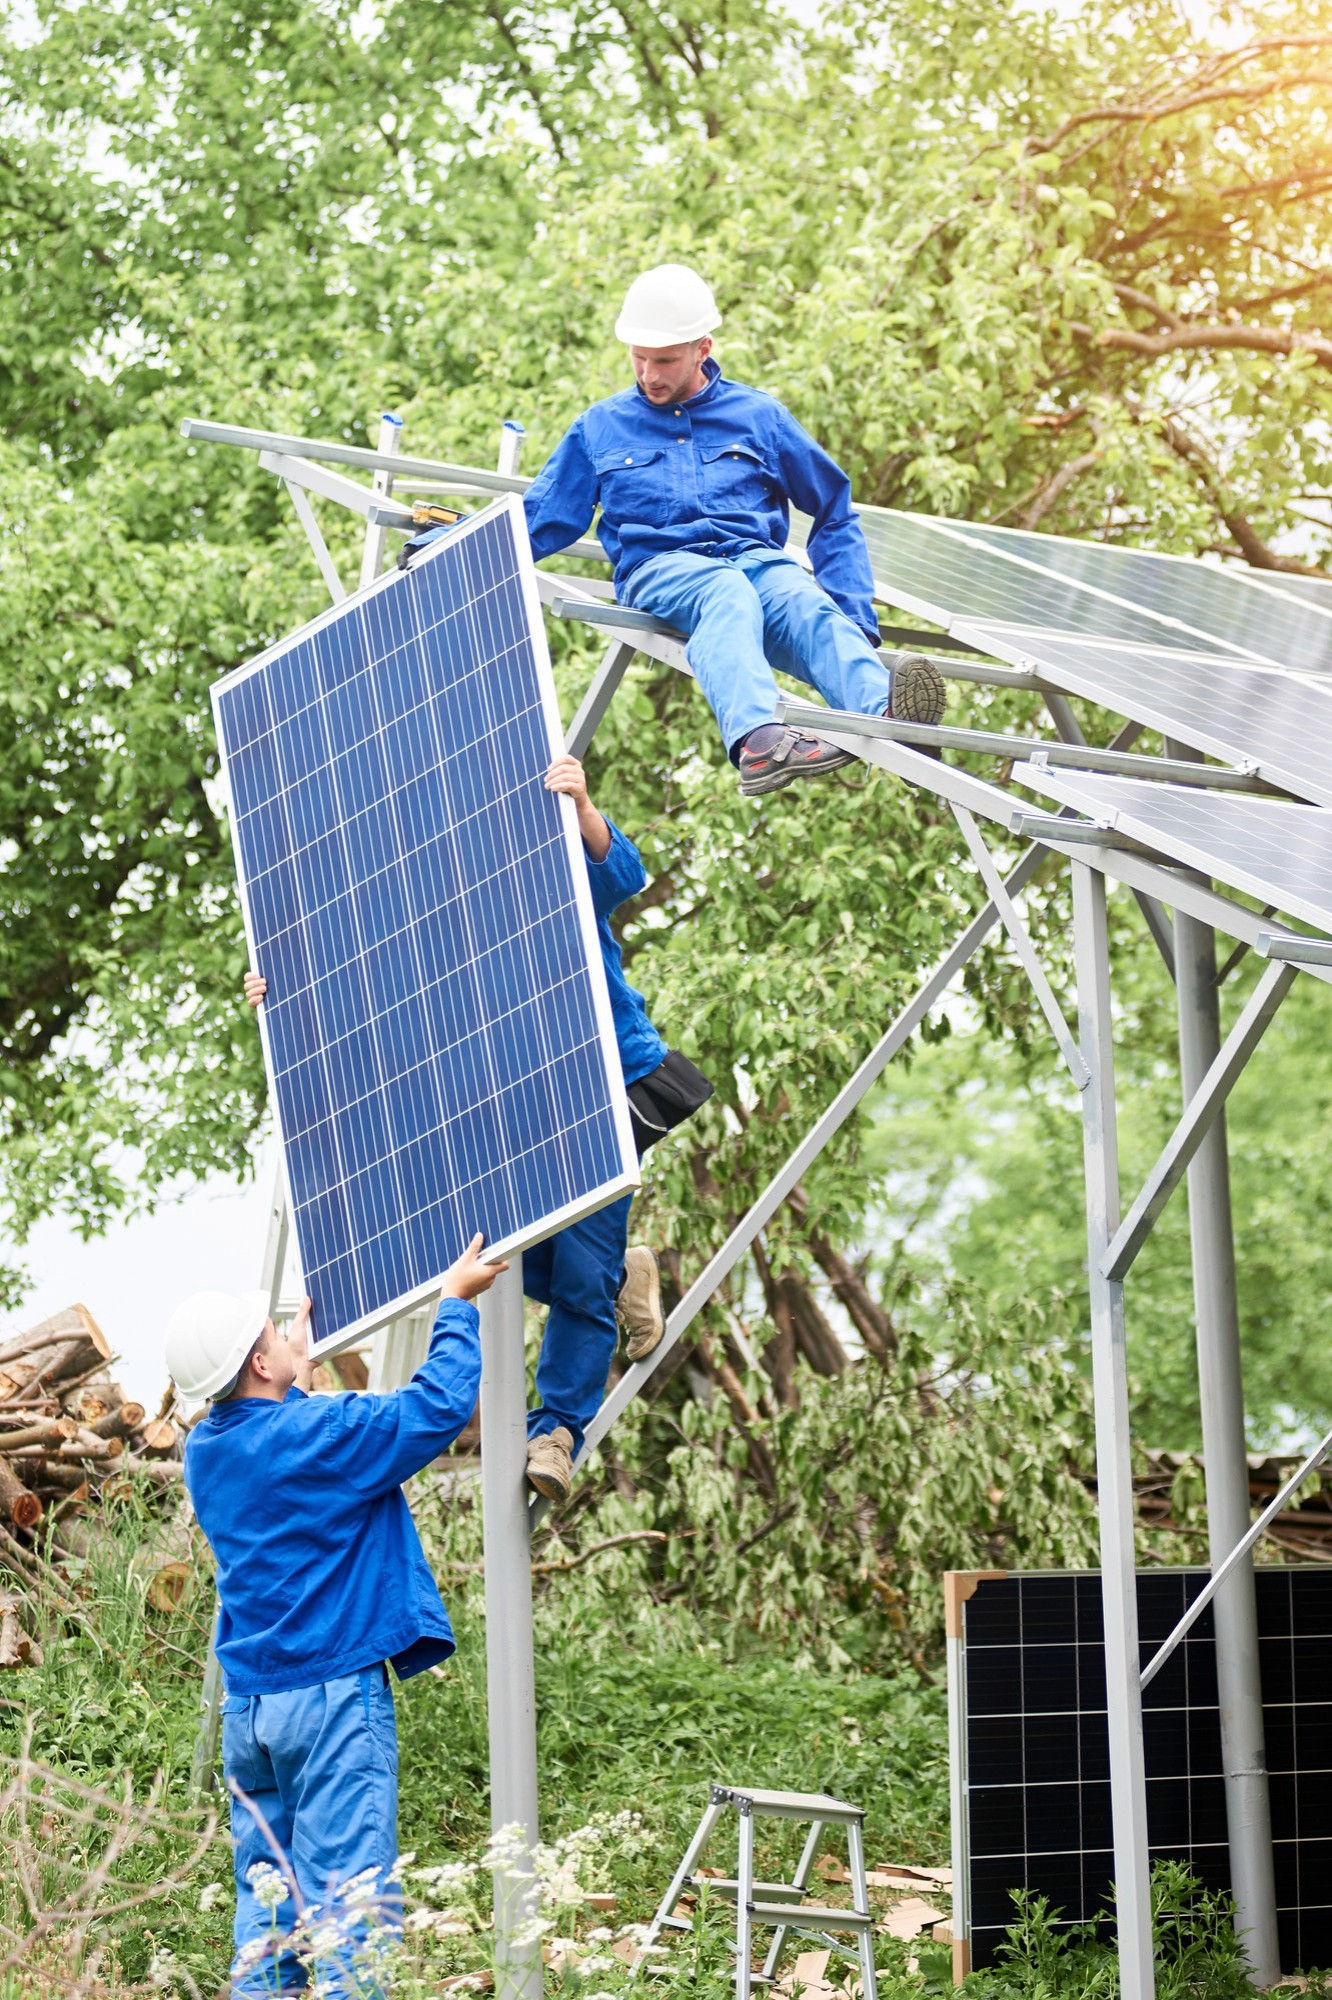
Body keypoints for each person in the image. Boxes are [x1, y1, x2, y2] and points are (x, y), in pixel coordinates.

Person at [244, 753, 712, 1505]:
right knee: (452, 1255)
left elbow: (618, 873)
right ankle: (628, 1277)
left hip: (599, 1080)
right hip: (505, 1110)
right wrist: (284, 995)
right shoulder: (408, 914)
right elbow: (357, 1005)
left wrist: (583, 805)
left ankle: (557, 1429)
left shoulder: (529, 852)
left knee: (584, 1272)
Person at [166, 1233, 503, 1999]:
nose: (285, 1337)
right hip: (330, 1703)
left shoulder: (205, 1451)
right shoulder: (319, 1433)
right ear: (257, 1364)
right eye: (272, 1336)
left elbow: (281, 1439)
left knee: (271, 1911)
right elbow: (437, 1407)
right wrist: (454, 1303)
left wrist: (294, 1373)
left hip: (252, 1707)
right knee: (351, 1912)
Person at [520, 261, 947, 797]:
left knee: (804, 603)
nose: (649, 374)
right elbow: (541, 518)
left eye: (666, 361)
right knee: (726, 592)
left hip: (755, 562)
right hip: (662, 568)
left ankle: (892, 721)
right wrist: (448, 545)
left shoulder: (760, 417)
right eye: (639, 358)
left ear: (703, 348)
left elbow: (834, 508)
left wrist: (855, 619)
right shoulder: (599, 427)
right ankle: (759, 742)